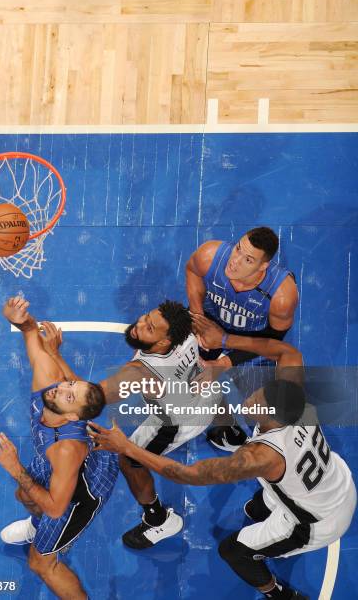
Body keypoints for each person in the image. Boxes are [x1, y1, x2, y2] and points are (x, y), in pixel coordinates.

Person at [89, 333, 356, 600]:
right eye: (259, 392)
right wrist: (225, 343)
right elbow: (286, 351)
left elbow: (187, 474)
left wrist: (128, 448)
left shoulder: (261, 456)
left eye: (258, 403)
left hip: (315, 521)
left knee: (233, 551)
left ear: (273, 419)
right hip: (336, 480)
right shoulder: (293, 398)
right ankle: (270, 504)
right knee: (257, 506)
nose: (251, 398)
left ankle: (277, 593)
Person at [44, 300, 220, 550]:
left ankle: (158, 519)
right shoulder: (187, 326)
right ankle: (230, 432)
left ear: (163, 343)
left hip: (178, 420)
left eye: (148, 328)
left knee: (129, 460)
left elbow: (89, 399)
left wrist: (53, 354)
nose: (138, 325)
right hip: (212, 389)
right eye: (145, 318)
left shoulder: (139, 373)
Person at [0, 297, 119, 600]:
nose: (61, 387)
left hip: (83, 492)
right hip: (59, 463)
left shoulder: (66, 449)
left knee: (41, 563)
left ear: (72, 415)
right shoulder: (51, 386)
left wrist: (15, 468)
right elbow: (30, 332)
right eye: (68, 386)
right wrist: (18, 319)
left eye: (68, 394)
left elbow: (56, 507)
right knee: (23, 494)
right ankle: (37, 529)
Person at [186, 226, 299, 450]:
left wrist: (225, 360)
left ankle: (235, 432)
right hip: (211, 322)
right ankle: (219, 417)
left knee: (260, 410)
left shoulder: (282, 296)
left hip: (252, 340)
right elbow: (193, 270)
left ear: (263, 266)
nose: (235, 261)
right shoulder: (210, 255)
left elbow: (274, 341)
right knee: (183, 371)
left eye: (248, 259)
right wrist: (198, 317)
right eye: (238, 248)